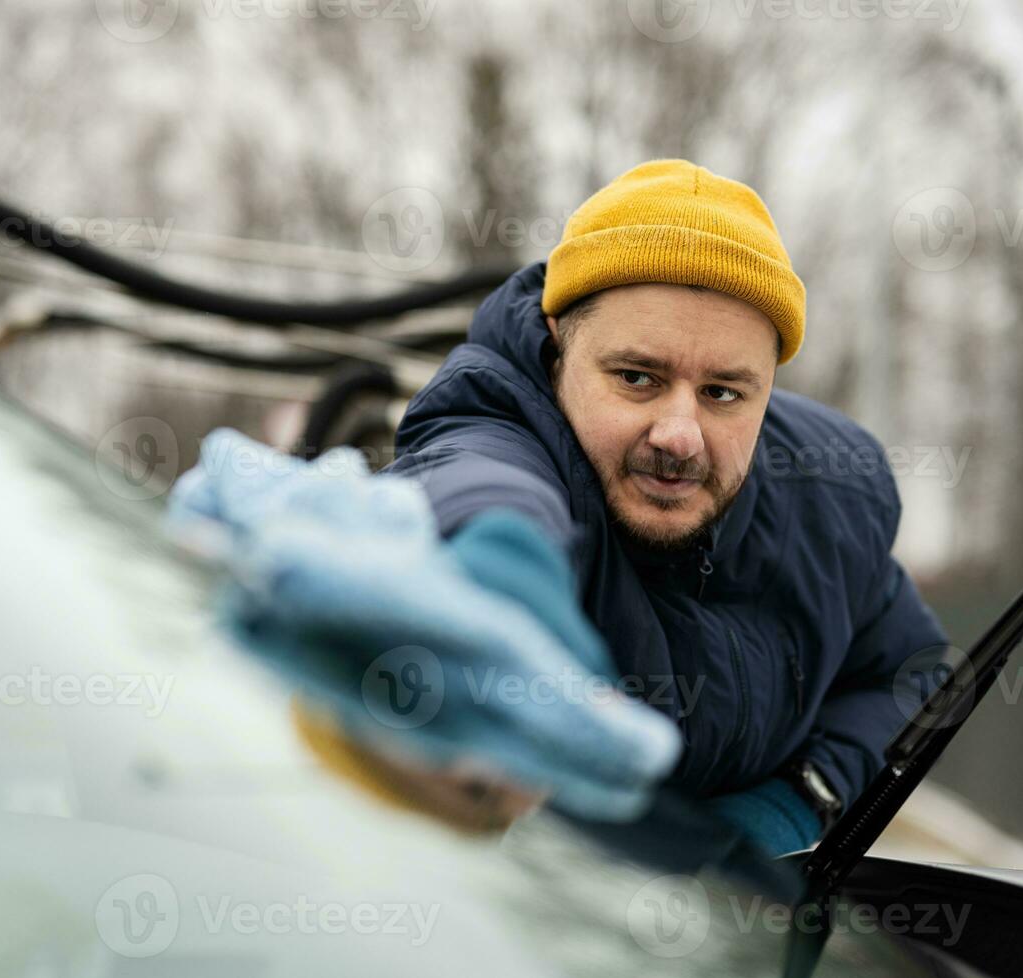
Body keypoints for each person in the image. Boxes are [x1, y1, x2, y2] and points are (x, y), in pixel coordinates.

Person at [379, 159, 950, 856]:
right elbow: (478, 484)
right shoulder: (497, 438)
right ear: (559, 342)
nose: (679, 437)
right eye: (638, 378)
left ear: (769, 387)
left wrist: (799, 803)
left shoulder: (834, 498)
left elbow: (910, 669)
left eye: (723, 393)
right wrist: (498, 573)